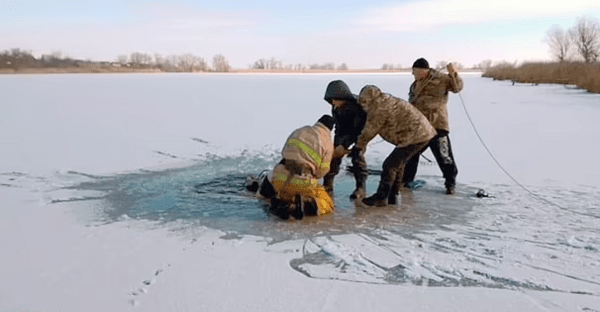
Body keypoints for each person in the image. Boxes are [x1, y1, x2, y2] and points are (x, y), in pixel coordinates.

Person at [351, 85, 436, 207]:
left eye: (364, 102)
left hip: (416, 135)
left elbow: (369, 130)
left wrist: (358, 147)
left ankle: (382, 197)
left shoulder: (379, 108)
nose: (363, 106)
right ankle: (393, 195)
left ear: (371, 99)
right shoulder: (383, 101)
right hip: (420, 133)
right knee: (398, 165)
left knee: (389, 165)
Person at [246, 115, 335, 219]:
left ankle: (267, 194)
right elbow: (321, 172)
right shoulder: (327, 143)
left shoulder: (300, 131)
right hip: (301, 184)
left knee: (270, 179)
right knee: (327, 203)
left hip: (278, 177)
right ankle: (299, 207)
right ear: (330, 129)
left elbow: (284, 151)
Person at [401, 58, 464, 195]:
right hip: (420, 127)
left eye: (414, 72)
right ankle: (406, 181)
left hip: (437, 126)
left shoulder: (441, 79)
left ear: (422, 71)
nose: (413, 75)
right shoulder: (415, 85)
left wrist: (453, 73)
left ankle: (450, 183)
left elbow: (457, 87)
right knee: (411, 154)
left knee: (444, 155)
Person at [322, 80, 368, 199]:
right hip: (344, 133)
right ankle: (327, 184)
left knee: (358, 157)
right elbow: (339, 126)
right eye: (331, 100)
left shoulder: (358, 106)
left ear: (344, 97)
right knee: (334, 156)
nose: (333, 103)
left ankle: (361, 187)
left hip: (362, 133)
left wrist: (345, 145)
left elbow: (358, 129)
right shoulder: (336, 107)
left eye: (336, 100)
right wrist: (338, 144)